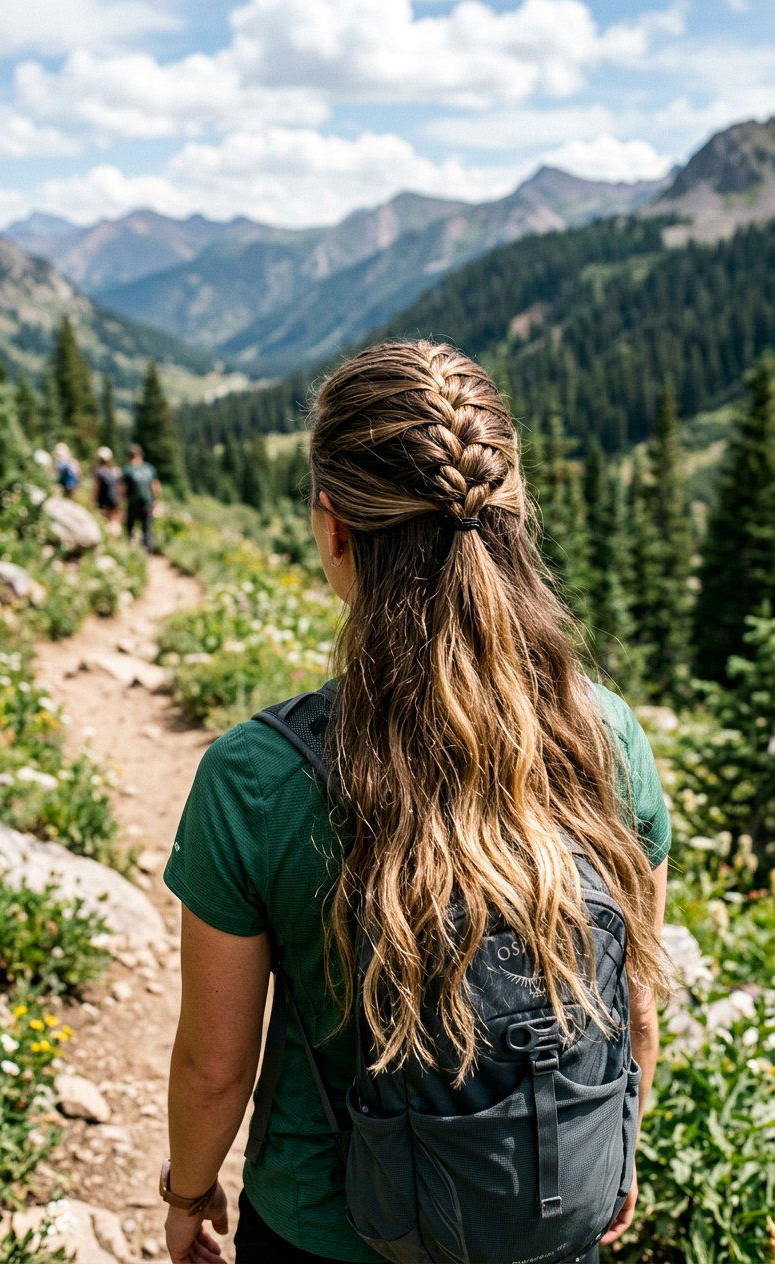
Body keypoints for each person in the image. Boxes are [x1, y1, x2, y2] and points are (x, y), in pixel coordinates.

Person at [161, 342, 671, 1264]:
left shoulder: (256, 775)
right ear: (512, 513)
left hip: (329, 1228)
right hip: (547, 1210)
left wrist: (188, 1192)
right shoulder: (607, 736)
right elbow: (635, 1009)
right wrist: (616, 1156)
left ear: (333, 524)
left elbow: (215, 1067)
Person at [122, 443, 159, 552]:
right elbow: (155, 487)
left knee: (129, 526)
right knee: (146, 528)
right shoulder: (149, 468)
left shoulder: (128, 470)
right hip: (147, 502)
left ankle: (129, 549)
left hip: (133, 503)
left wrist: (120, 504)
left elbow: (122, 489)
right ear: (140, 455)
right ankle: (148, 551)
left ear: (130, 456)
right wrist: (155, 501)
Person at [93, 446, 122, 532]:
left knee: (104, 522)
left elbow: (96, 488)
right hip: (115, 499)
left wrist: (92, 500)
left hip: (103, 501)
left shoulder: (99, 471)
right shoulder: (117, 470)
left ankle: (108, 539)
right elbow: (120, 487)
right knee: (114, 522)